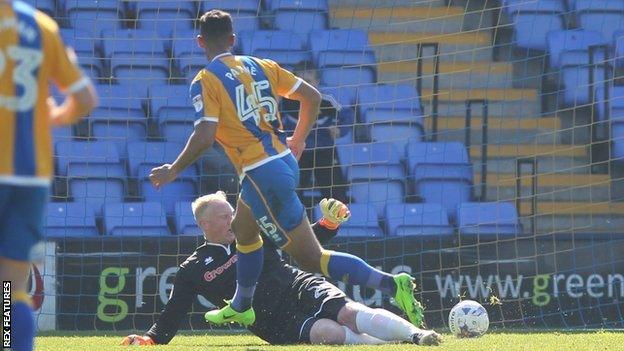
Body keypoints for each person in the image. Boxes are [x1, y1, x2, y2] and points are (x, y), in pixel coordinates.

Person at [148, 9, 423, 329]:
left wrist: (174, 169)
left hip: (261, 171)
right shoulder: (261, 66)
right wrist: (300, 138)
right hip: (280, 163)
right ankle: (241, 305)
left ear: (199, 43)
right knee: (244, 230)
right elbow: (313, 96)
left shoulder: (205, 80)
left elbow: (205, 134)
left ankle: (391, 284)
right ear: (233, 39)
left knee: (311, 258)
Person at [121, 193, 441, 346]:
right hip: (270, 319)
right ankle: (390, 345)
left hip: (297, 284)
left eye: (232, 212)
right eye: (223, 216)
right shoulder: (191, 268)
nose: (231, 219)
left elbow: (300, 242)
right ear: (204, 224)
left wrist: (328, 223)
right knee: (327, 334)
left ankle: (417, 335)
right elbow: (174, 310)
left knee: (348, 313)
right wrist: (152, 338)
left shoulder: (253, 234)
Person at [0, 1, 98, 350]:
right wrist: (56, 115)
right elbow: (85, 98)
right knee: (11, 286)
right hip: (30, 173)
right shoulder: (42, 27)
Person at [281, 61, 350, 204]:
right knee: (291, 192)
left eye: (309, 81)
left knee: (336, 194)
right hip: (297, 151)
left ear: (317, 82)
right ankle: (296, 223)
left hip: (324, 150)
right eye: (301, 81)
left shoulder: (327, 101)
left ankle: (334, 223)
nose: (305, 86)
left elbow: (347, 117)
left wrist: (339, 130)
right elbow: (275, 122)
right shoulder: (285, 102)